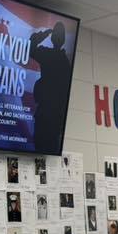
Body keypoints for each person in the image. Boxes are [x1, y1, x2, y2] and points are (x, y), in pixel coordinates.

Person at [29, 22, 71, 154]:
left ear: (52, 38)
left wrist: (44, 34)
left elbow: (30, 47)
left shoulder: (48, 55)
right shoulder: (65, 62)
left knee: (40, 145)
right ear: (63, 40)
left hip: (45, 112)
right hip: (57, 117)